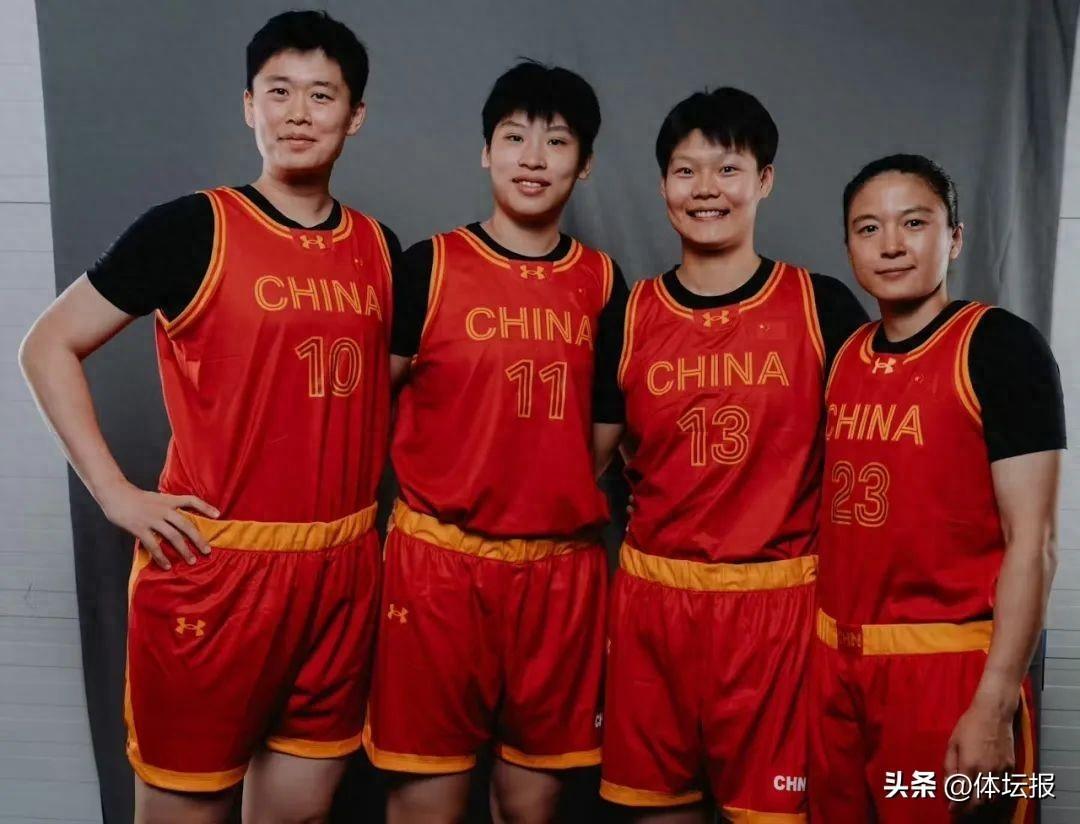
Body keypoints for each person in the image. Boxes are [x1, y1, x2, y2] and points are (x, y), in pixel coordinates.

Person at [19, 11, 396, 823]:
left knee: (301, 810)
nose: (299, 113)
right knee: (185, 809)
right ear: (249, 106)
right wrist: (116, 493)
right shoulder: (192, 228)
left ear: (355, 115)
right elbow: (47, 345)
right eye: (279, 92)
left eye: (322, 95)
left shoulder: (379, 246)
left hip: (341, 569)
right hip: (219, 567)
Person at [363, 60, 627, 822]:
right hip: (440, 569)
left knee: (531, 806)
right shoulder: (430, 266)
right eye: (514, 137)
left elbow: (605, 425)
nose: (533, 158)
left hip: (557, 575)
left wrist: (539, 489)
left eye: (557, 141)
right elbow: (360, 406)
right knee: (426, 803)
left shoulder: (603, 282)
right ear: (486, 152)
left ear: (585, 163)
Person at [600, 87, 867, 821]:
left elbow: (880, 449)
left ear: (765, 179)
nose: (705, 189)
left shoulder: (820, 306)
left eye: (728, 169)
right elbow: (578, 462)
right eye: (686, 171)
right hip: (655, 606)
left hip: (779, 608)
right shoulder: (630, 314)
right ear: (663, 184)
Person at [809, 154, 1064, 823]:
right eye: (868, 228)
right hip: (837, 668)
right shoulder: (844, 356)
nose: (891, 244)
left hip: (949, 672)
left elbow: (1033, 544)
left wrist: (994, 704)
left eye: (914, 222)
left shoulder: (1001, 347)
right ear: (848, 246)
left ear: (954, 237)